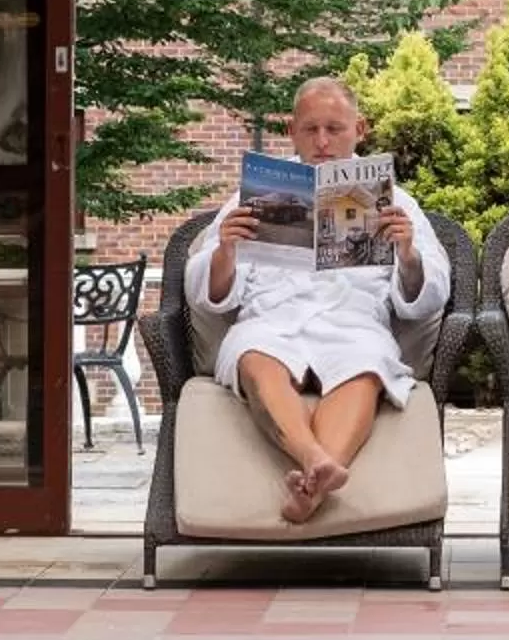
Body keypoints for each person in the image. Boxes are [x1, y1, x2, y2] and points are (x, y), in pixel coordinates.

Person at [188, 76, 451, 524]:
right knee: (253, 355)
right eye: (311, 129)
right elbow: (208, 296)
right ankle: (316, 461)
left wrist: (407, 253)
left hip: (352, 325)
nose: (323, 141)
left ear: (360, 128)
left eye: (335, 128)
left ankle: (311, 483)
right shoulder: (253, 195)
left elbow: (428, 296)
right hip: (272, 321)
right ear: (291, 131)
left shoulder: (397, 202)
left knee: (367, 366)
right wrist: (225, 251)